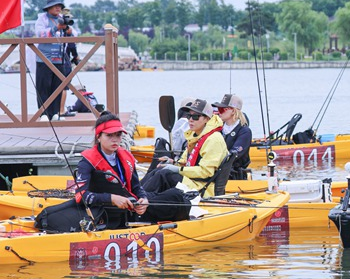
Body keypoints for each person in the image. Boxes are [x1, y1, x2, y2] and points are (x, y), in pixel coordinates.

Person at [35, 111, 189, 232]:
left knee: (177, 195)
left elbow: (136, 187)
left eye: (118, 135)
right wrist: (111, 198)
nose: (115, 140)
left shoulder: (126, 156)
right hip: (107, 213)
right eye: (109, 135)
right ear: (99, 136)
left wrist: (143, 199)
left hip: (132, 207)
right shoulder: (87, 162)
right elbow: (81, 196)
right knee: (176, 198)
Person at [141, 99, 227, 197]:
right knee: (158, 170)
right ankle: (136, 194)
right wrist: (172, 163)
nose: (190, 119)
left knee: (164, 175)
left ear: (207, 119)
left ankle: (140, 199)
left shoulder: (213, 140)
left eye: (195, 116)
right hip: (192, 180)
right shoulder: (196, 136)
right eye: (189, 116)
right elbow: (183, 163)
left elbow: (206, 172)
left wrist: (177, 169)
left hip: (202, 187)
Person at [34, 0, 76, 121]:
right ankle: (44, 113)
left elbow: (72, 37)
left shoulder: (61, 19)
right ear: (48, 8)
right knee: (44, 86)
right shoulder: (42, 19)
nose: (58, 8)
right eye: (55, 6)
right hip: (44, 58)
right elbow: (40, 34)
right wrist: (55, 28)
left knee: (58, 86)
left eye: (60, 6)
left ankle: (55, 113)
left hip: (59, 58)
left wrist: (68, 31)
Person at [213, 93, 252, 179]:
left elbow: (234, 155)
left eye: (222, 109)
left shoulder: (244, 132)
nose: (219, 112)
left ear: (233, 111)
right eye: (218, 109)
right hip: (216, 172)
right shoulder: (218, 129)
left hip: (235, 176)